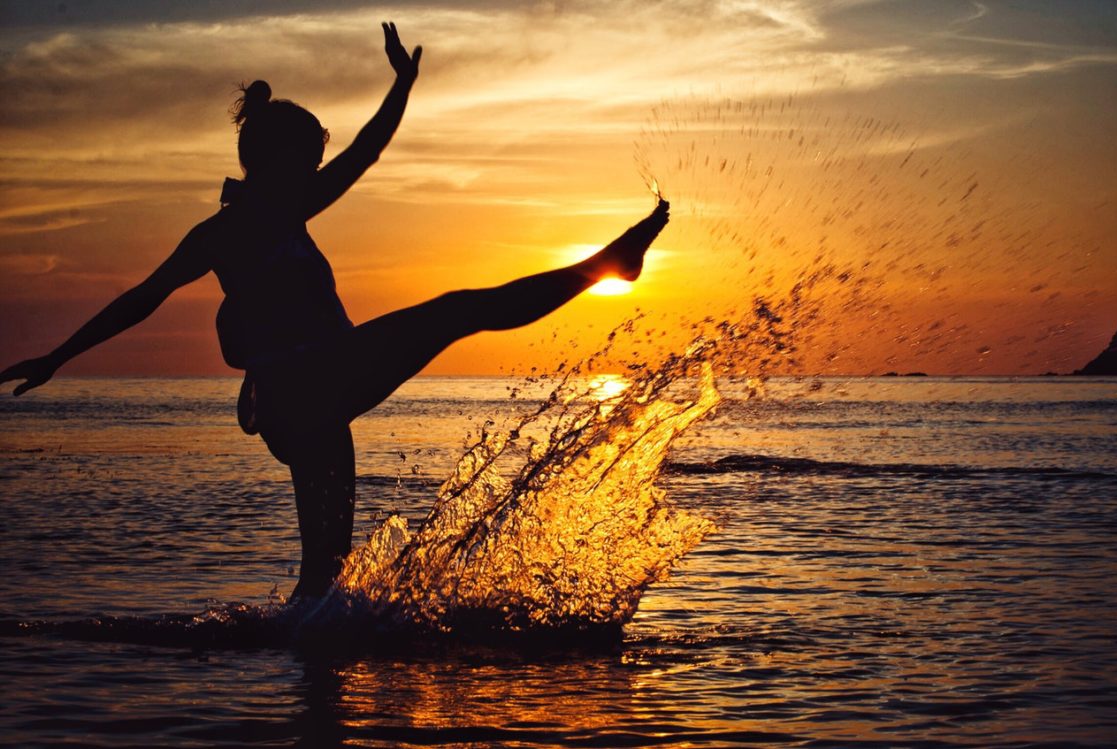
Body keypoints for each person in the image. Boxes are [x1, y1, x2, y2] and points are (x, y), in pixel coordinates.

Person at [0, 23, 670, 601]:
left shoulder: (259, 219)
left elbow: (364, 153)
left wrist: (403, 85)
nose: (319, 171)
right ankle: (606, 267)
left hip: (310, 398)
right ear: (274, 162)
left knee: (327, 567)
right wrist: (58, 357)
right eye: (309, 161)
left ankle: (313, 675)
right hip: (307, 385)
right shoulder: (250, 222)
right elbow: (142, 299)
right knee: (455, 310)